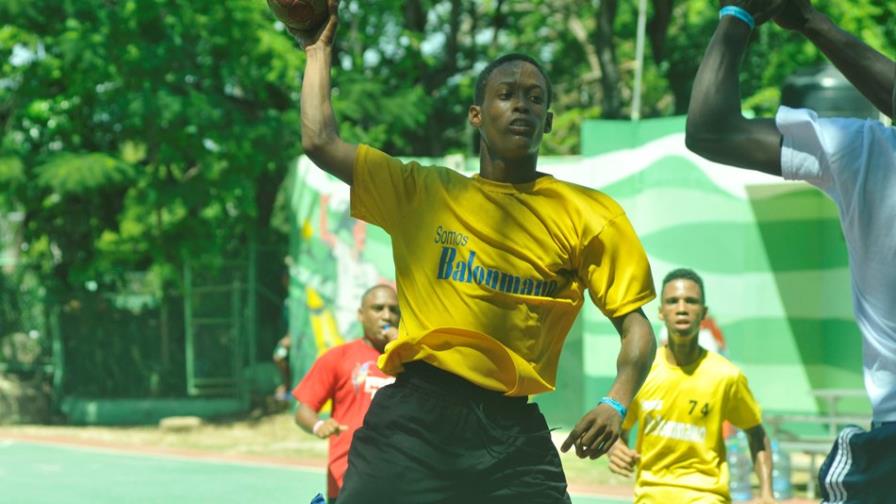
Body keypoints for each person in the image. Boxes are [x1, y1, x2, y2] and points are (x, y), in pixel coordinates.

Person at [296, 1, 658, 501]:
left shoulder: (590, 215)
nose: (521, 106)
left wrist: (617, 402)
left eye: (535, 98)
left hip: (511, 431)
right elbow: (320, 140)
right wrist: (316, 50)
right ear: (476, 115)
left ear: (549, 120)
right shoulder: (422, 192)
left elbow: (637, 326)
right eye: (506, 94)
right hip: (415, 422)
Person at [685, 1, 896, 502]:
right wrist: (801, 21)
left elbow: (711, 130)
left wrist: (747, 16)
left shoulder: (867, 153)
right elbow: (710, 131)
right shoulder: (868, 153)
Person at [608, 269, 774, 503]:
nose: (682, 308)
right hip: (650, 496)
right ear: (661, 312)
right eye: (673, 301)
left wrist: (766, 493)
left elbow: (756, 433)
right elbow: (617, 428)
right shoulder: (643, 372)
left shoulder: (727, 376)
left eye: (691, 301)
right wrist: (615, 449)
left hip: (707, 496)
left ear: (704, 312)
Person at [292, 284, 400, 503]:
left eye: (393, 310)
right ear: (361, 314)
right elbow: (303, 409)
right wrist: (319, 425)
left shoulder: (414, 364)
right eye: (378, 308)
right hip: (347, 481)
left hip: (400, 482)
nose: (386, 316)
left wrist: (402, 350)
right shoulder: (338, 357)